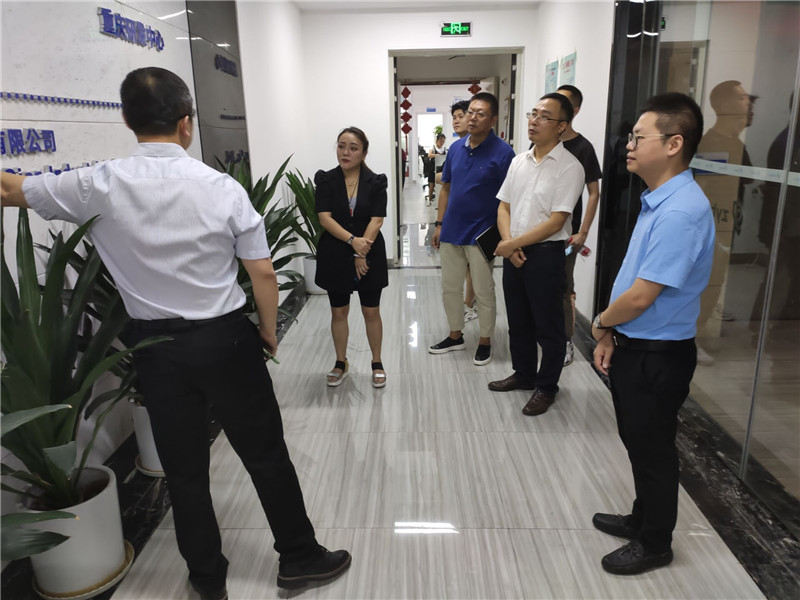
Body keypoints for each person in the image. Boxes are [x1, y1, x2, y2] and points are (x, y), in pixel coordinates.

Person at [0, 67, 351, 599]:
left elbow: (10, 188)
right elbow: (261, 273)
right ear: (186, 123)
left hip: (157, 350)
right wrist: (267, 331)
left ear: (127, 119)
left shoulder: (98, 183)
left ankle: (207, 580)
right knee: (265, 454)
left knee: (184, 472)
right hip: (226, 341)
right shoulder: (221, 188)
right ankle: (300, 559)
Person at [591, 92, 714, 575]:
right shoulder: (660, 200)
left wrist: (602, 322)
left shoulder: (680, 211)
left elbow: (642, 297)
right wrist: (610, 334)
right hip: (637, 345)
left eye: (639, 137)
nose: (629, 145)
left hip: (658, 355)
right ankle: (642, 518)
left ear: (673, 143)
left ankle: (655, 542)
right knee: (639, 442)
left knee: (654, 449)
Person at [489, 93, 584, 416]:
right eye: (533, 113)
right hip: (514, 251)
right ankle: (524, 374)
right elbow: (503, 207)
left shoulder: (570, 168)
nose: (534, 121)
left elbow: (557, 221)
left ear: (562, 126)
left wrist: (512, 244)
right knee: (518, 320)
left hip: (545, 254)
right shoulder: (519, 161)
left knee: (548, 325)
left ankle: (546, 386)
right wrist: (510, 243)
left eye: (544, 116)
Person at [429, 92, 515, 365]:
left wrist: (505, 236)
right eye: (470, 112)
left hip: (483, 234)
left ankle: (485, 341)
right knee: (450, 288)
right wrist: (439, 224)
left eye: (480, 114)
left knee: (483, 290)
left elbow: (510, 199)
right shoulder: (456, 148)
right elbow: (446, 189)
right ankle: (455, 335)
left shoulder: (504, 153)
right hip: (452, 231)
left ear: (492, 120)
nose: (473, 118)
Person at [314, 127, 388, 388]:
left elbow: (376, 220)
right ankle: (340, 362)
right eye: (341, 146)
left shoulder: (376, 181)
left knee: (371, 310)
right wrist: (352, 241)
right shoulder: (325, 180)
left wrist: (360, 250)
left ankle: (376, 362)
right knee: (339, 311)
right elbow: (325, 219)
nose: (345, 152)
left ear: (364, 153)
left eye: (353, 148)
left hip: (369, 252)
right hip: (335, 252)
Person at [556, 84, 603, 366]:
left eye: (561, 102)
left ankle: (565, 341)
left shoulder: (583, 148)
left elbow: (594, 192)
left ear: (574, 111)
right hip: (539, 231)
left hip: (567, 234)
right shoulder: (543, 142)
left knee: (564, 287)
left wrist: (582, 232)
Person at [437, 100, 478, 322]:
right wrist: (439, 223)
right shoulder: (455, 148)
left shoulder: (485, 148)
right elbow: (446, 184)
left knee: (475, 268)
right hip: (456, 219)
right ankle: (466, 305)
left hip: (479, 222)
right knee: (462, 268)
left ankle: (469, 305)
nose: (456, 120)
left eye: (461, 116)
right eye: (454, 117)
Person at [427, 133, 447, 203]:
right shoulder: (433, 147)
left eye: (443, 141)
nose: (442, 143)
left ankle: (440, 200)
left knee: (441, 185)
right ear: (437, 140)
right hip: (433, 169)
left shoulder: (444, 149)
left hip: (440, 169)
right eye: (440, 141)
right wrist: (436, 155)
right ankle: (429, 200)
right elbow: (429, 155)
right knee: (432, 185)